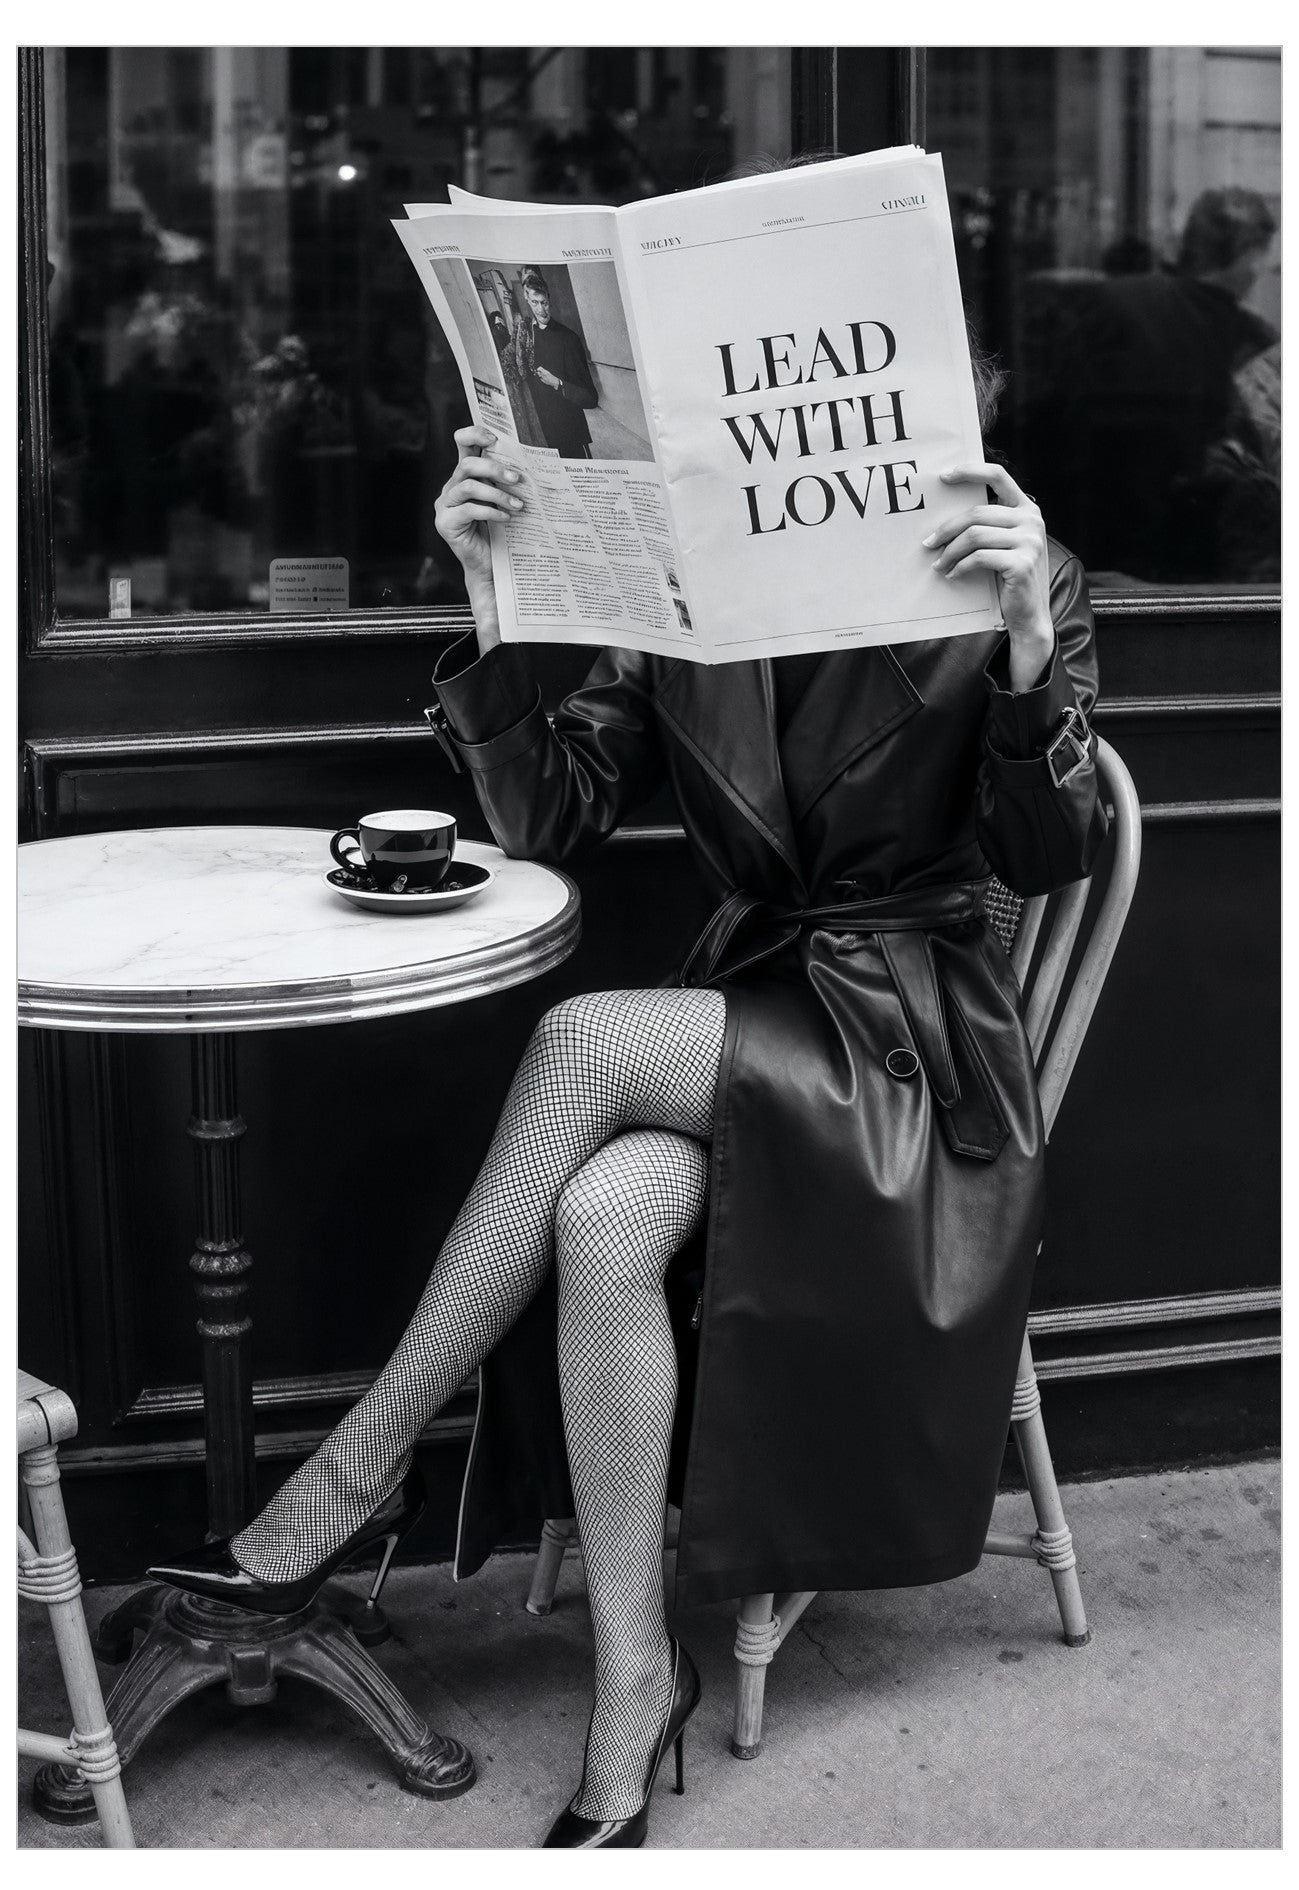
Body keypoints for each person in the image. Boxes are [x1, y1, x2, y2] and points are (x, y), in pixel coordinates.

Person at [151, 362, 1106, 1844]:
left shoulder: (1013, 566)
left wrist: (1031, 646)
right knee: (601, 1216)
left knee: (584, 1040)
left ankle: (356, 1468)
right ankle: (632, 1682)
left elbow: (1046, 855)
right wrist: (494, 595)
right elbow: (549, 813)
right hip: (763, 1014)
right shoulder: (689, 573)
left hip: (919, 1059)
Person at [509, 265, 598, 457]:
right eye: (535, 303)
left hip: (570, 434)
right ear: (526, 298)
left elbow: (591, 398)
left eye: (544, 303)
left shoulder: (569, 339)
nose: (541, 310)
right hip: (541, 435)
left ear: (549, 299)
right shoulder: (523, 334)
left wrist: (557, 383)